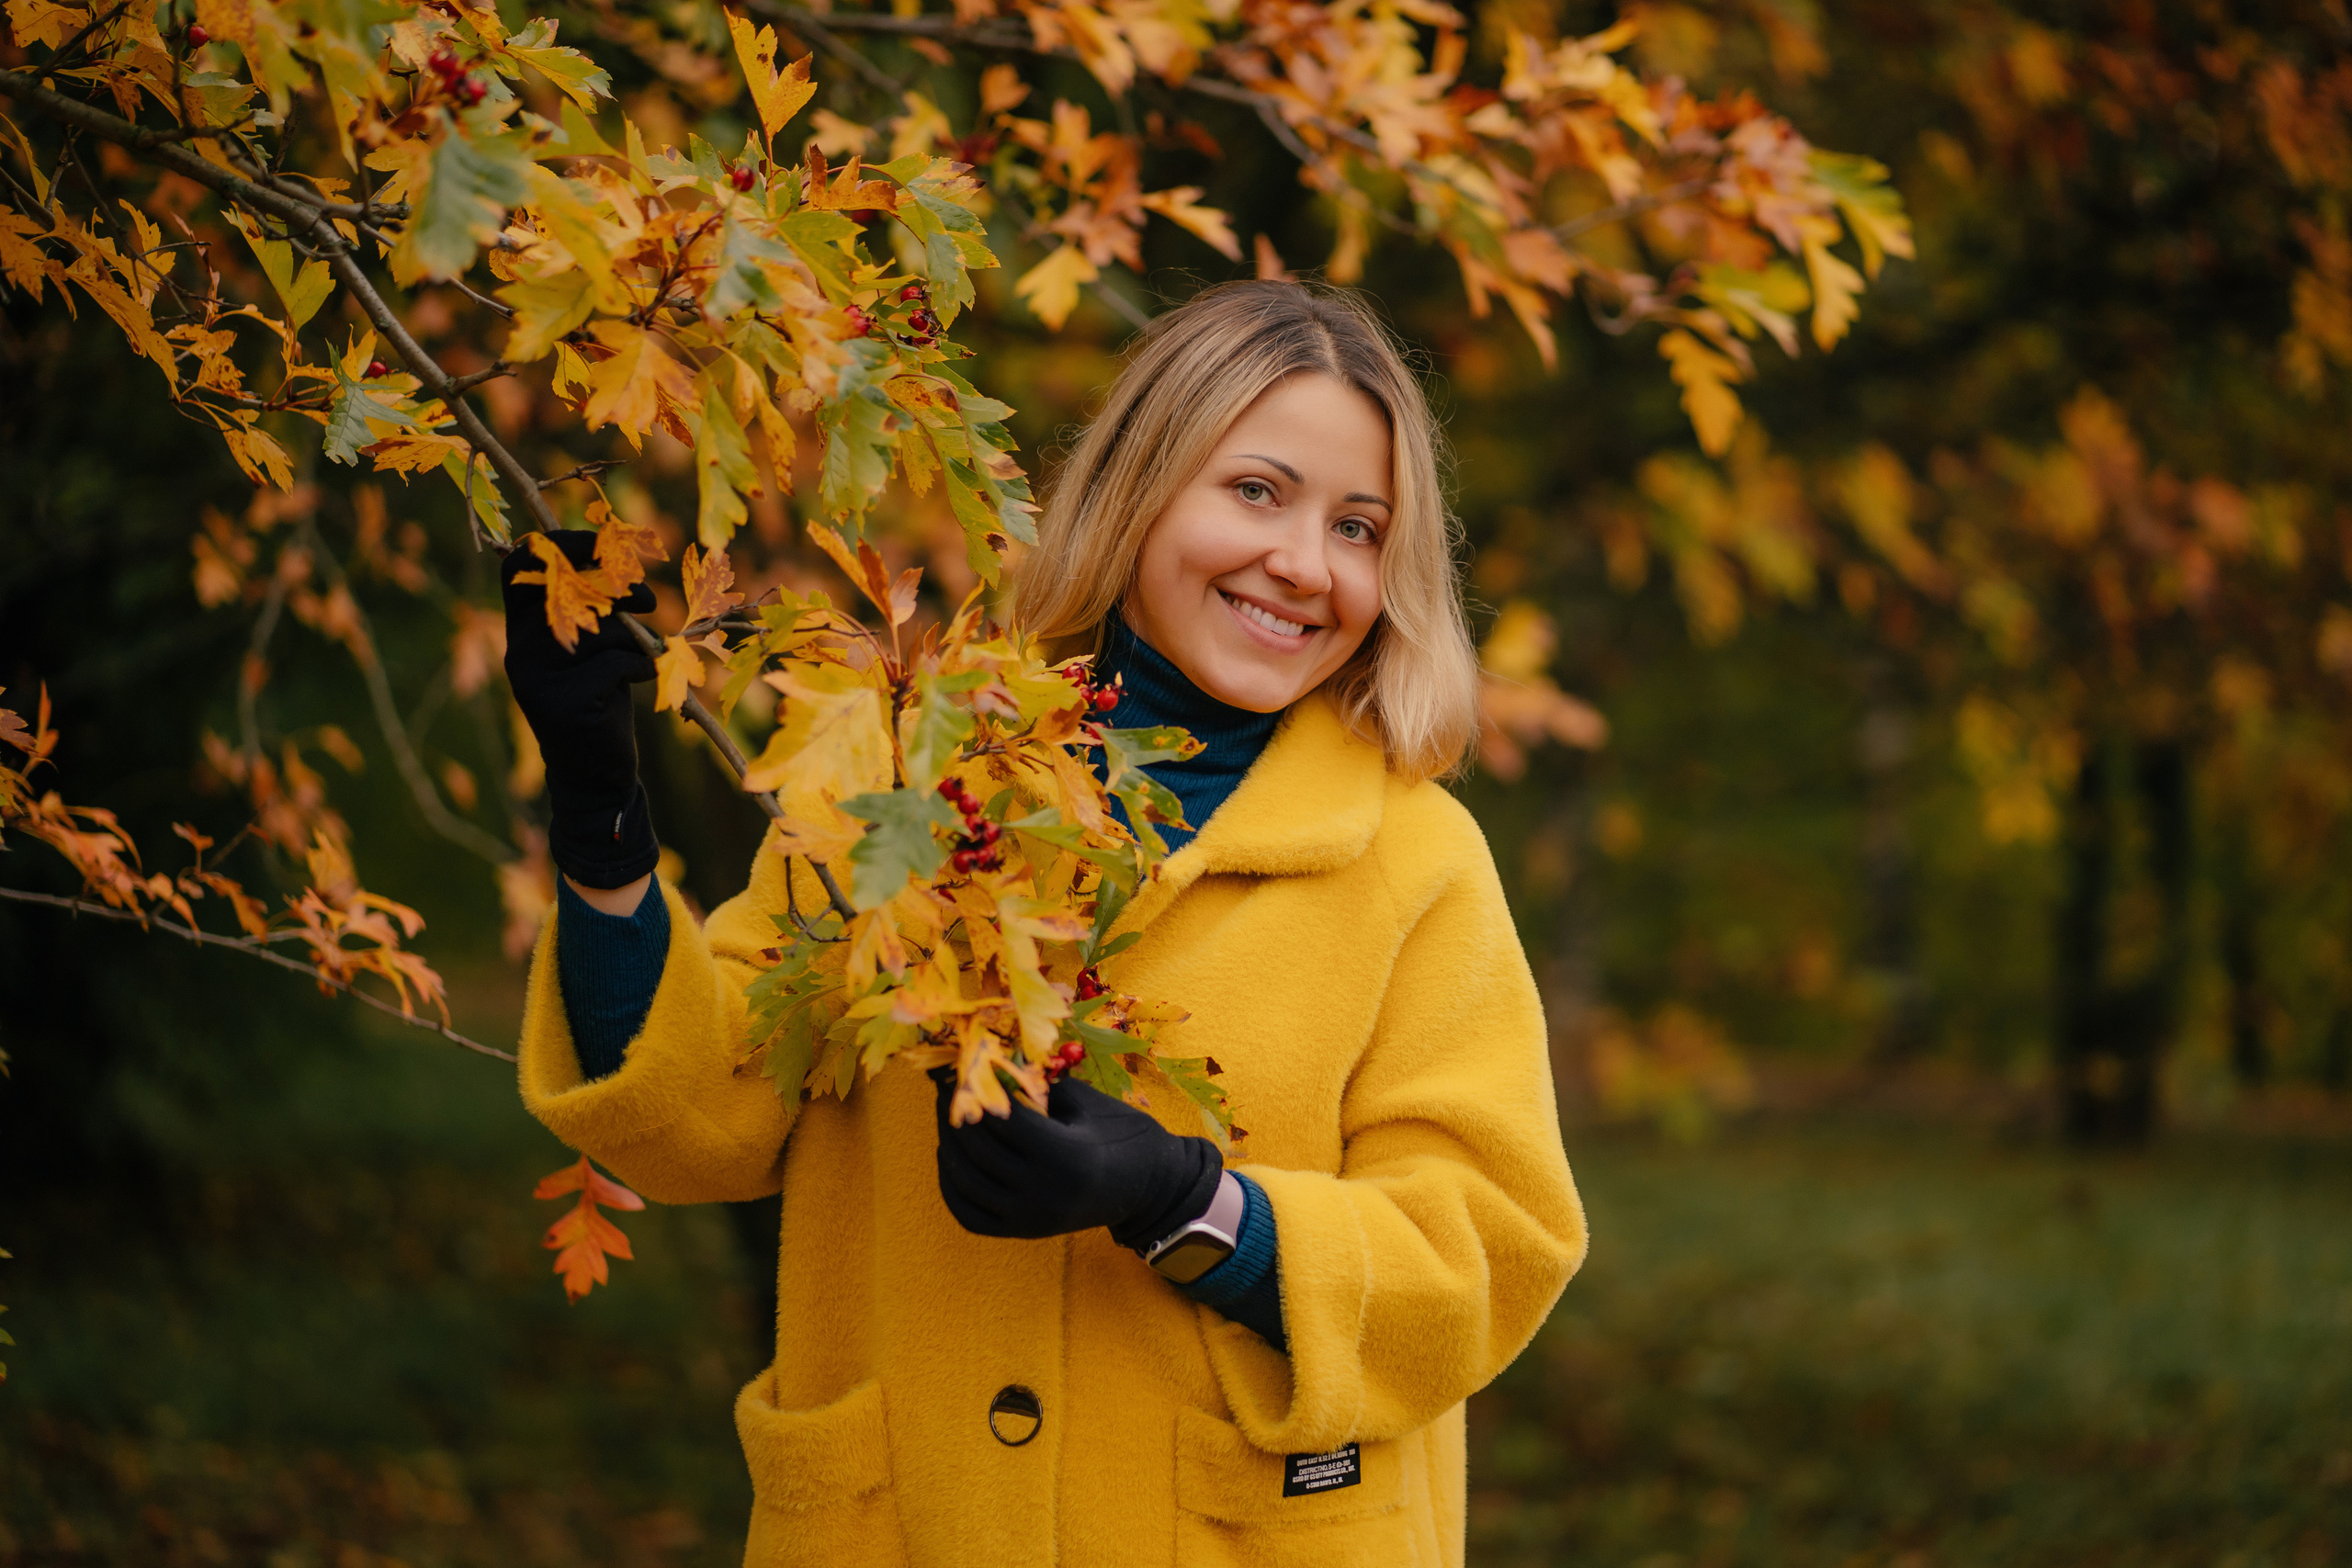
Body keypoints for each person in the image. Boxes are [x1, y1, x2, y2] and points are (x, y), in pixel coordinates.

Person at [505, 279, 1587, 1568]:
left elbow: (1486, 1255)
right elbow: (699, 1120)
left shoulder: (1412, 859)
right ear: (1141, 488)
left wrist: (1191, 1204)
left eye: (1360, 527)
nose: (1306, 564)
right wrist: (597, 806)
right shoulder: (909, 778)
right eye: (1257, 492)